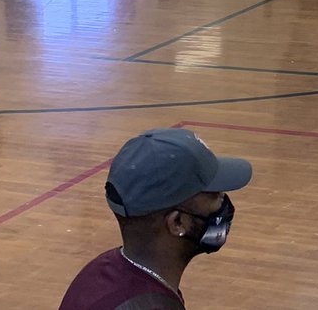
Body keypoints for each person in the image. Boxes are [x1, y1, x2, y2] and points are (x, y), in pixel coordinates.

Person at [59, 128, 254, 310]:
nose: (223, 200)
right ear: (177, 223)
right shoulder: (150, 304)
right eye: (214, 194)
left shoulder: (101, 269)